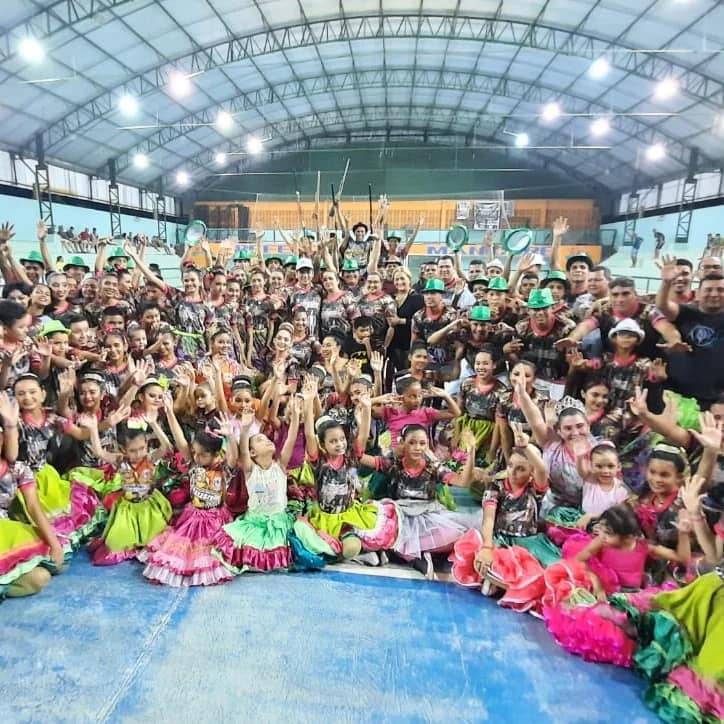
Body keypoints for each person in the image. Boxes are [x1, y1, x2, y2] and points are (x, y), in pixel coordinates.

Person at [656, 257, 724, 406]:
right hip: (676, 395)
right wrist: (666, 283)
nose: (714, 294)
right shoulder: (685, 312)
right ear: (698, 293)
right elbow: (662, 306)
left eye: (720, 290)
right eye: (708, 290)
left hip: (716, 401)